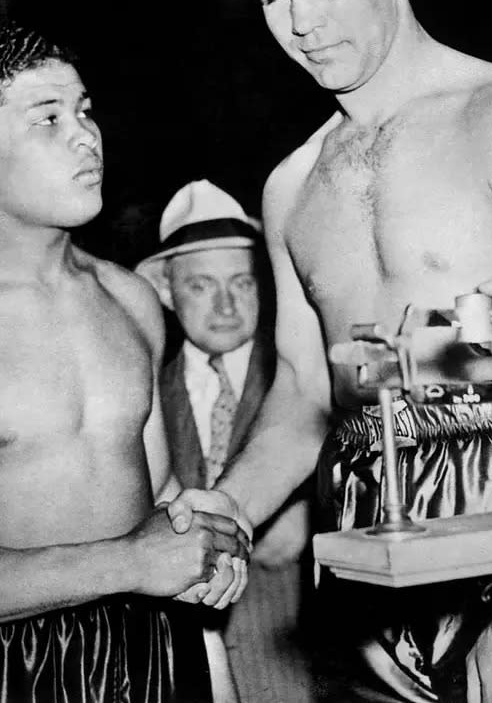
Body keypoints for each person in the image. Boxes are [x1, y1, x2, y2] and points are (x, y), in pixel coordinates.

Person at [167, 0, 492, 701]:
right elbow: (304, 390)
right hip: (368, 531)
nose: (303, 22)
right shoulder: (290, 185)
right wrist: (231, 509)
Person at [0, 22, 249, 703]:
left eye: (84, 110)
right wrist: (127, 563)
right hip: (4, 666)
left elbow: (155, 501)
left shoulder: (130, 298)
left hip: (153, 650)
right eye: (47, 118)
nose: (85, 135)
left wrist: (201, 537)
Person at [137, 179, 314, 703]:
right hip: (179, 646)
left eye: (243, 283)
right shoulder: (140, 394)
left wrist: (311, 510)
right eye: (200, 285)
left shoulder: (300, 385)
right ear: (166, 292)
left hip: (285, 630)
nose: (225, 305)